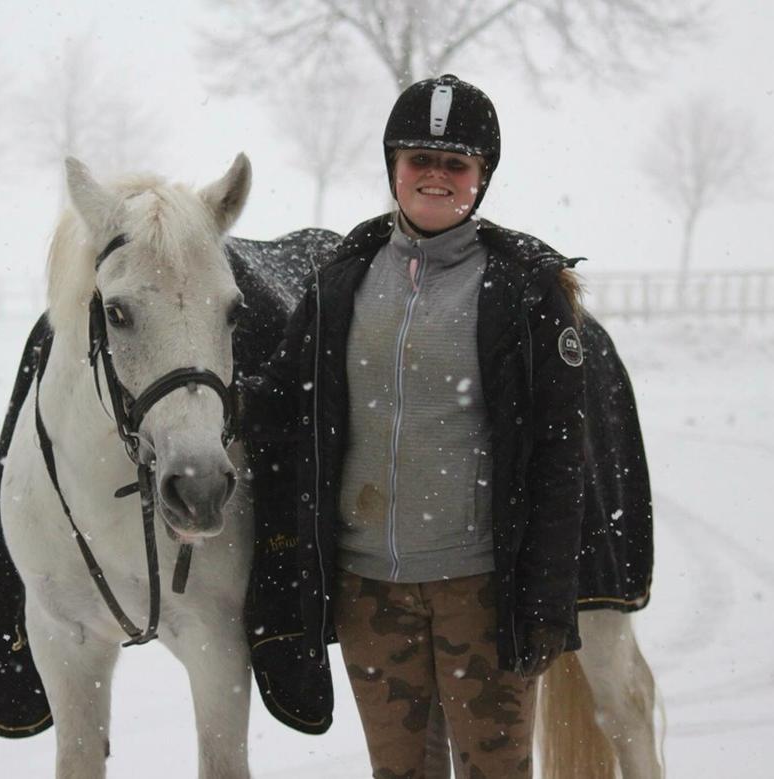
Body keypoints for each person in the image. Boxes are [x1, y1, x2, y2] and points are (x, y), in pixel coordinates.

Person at [242, 74, 587, 778]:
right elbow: (283, 402)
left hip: (482, 591)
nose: (435, 176)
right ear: (393, 167)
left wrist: (547, 595)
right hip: (371, 595)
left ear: (482, 177)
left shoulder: (525, 290)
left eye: (455, 163)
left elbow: (559, 457)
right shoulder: (342, 280)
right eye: (418, 160)